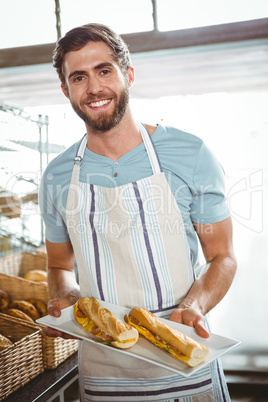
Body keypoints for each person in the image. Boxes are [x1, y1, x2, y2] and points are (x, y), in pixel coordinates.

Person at [39, 23, 237, 401]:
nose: (94, 88)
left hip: (185, 359)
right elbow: (59, 267)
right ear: (66, 90)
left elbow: (222, 256)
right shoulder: (58, 176)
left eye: (104, 70)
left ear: (128, 74)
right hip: (105, 374)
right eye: (79, 77)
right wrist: (63, 299)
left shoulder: (189, 154)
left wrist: (194, 305)